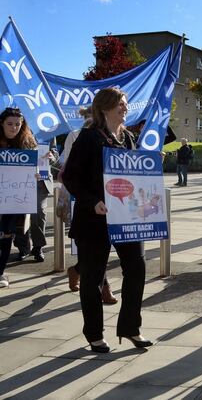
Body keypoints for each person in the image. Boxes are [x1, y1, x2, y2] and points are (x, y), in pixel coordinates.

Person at [62, 87, 151, 353]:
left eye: (125, 103)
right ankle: (94, 334)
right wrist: (92, 202)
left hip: (125, 218)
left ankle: (130, 328)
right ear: (105, 108)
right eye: (120, 104)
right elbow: (70, 177)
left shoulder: (128, 139)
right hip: (94, 220)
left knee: (137, 269)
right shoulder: (88, 138)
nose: (125, 107)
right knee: (92, 279)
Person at [60, 106, 117, 304]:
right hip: (82, 196)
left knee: (96, 253)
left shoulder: (114, 136)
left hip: (107, 198)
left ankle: (76, 271)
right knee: (91, 249)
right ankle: (103, 287)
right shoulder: (78, 136)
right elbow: (67, 165)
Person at [0, 107, 38, 288]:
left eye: (18, 124)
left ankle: (0, 272)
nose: (14, 128)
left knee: (7, 235)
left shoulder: (26, 144)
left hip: (13, 200)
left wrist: (37, 173)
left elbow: (36, 167)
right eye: (9, 124)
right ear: (2, 123)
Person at [15, 137, 56, 262]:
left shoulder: (48, 127)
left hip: (41, 180)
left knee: (39, 214)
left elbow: (55, 153)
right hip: (20, 179)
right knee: (21, 214)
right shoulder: (18, 128)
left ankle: (38, 247)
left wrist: (52, 157)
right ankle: (23, 248)